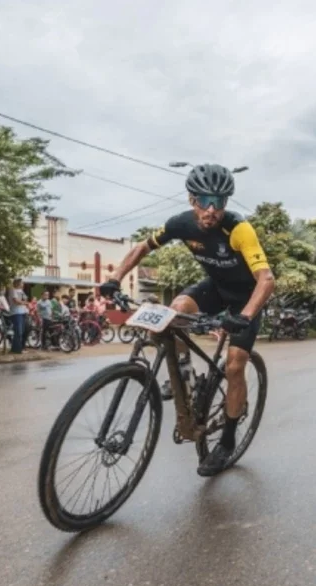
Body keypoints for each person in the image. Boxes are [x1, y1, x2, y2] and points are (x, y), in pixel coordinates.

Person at [98, 163, 275, 477]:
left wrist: (245, 316)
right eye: (204, 200)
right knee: (176, 309)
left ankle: (228, 440)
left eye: (219, 202)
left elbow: (266, 279)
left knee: (235, 365)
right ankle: (184, 373)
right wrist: (115, 277)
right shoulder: (180, 223)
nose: (211, 209)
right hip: (216, 288)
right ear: (192, 199)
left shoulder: (239, 229)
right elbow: (142, 247)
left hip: (246, 297)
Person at [8, 279, 29, 354]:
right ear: (18, 283)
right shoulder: (13, 290)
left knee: (23, 330)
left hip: (23, 312)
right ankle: (17, 349)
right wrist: (25, 303)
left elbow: (25, 299)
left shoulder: (21, 291)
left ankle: (18, 347)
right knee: (18, 331)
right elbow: (15, 301)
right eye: (22, 283)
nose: (23, 284)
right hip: (16, 313)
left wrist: (25, 302)